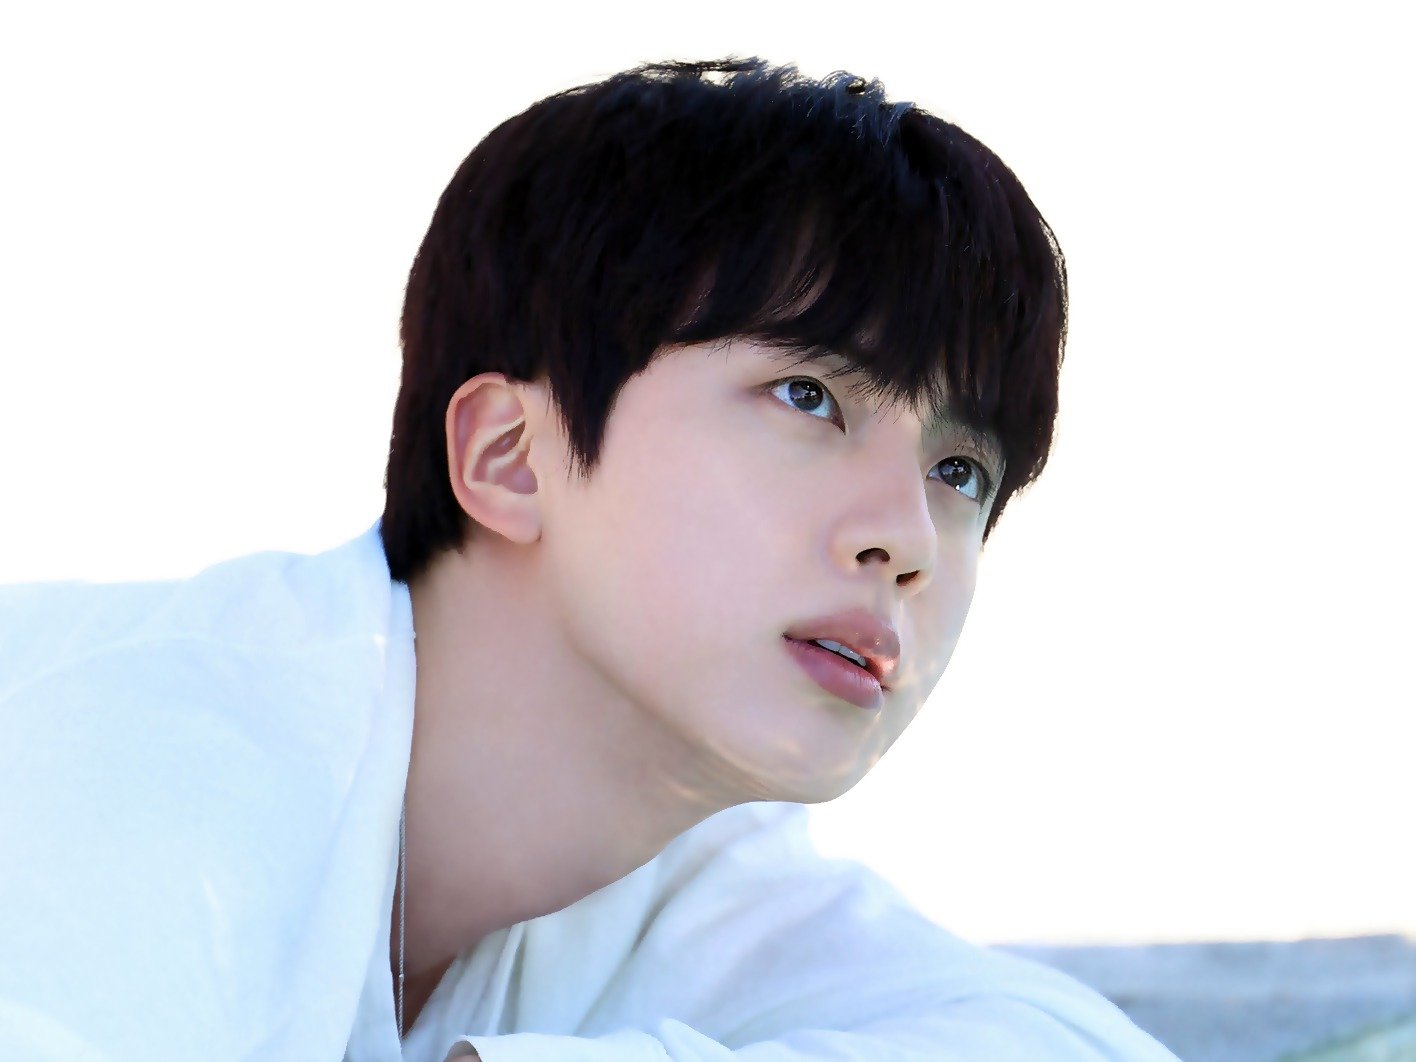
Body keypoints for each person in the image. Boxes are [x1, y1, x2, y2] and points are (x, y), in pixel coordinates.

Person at [0, 58, 1176, 1060]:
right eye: (808, 396)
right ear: (511, 456)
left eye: (960, 470)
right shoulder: (123, 765)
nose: (908, 537)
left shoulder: (675, 861)